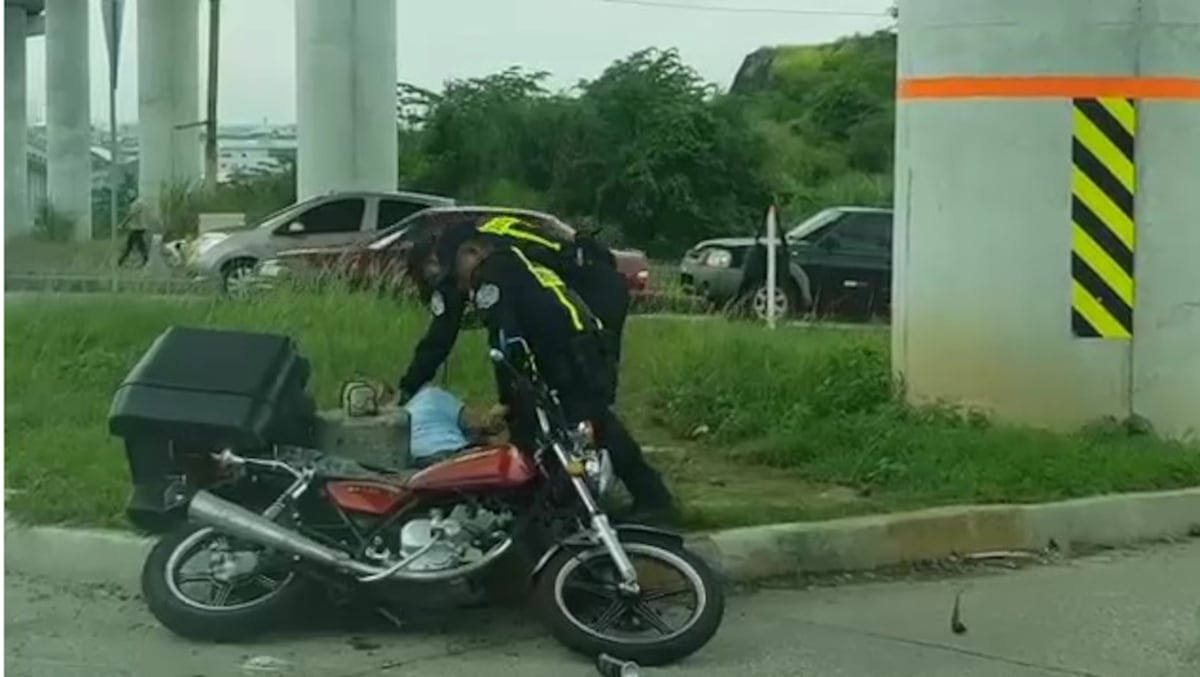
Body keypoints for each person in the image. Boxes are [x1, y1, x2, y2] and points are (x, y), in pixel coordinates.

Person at [450, 235, 676, 524]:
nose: (463, 286)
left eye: (460, 277)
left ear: (473, 252)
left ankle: (551, 508)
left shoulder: (490, 274)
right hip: (587, 343)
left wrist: (507, 399)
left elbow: (507, 341)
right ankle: (621, 496)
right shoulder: (524, 263)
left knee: (538, 423)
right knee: (592, 423)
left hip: (567, 354)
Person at [396, 214, 631, 402]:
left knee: (589, 378)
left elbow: (446, 336)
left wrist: (406, 389)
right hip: (591, 274)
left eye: (429, 278)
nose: (441, 286)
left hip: (591, 284)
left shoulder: (479, 260)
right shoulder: (480, 239)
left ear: (433, 261)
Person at [404, 384, 507, 468]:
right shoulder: (431, 394)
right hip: (453, 453)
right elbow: (475, 425)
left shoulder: (398, 416)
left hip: (420, 462)